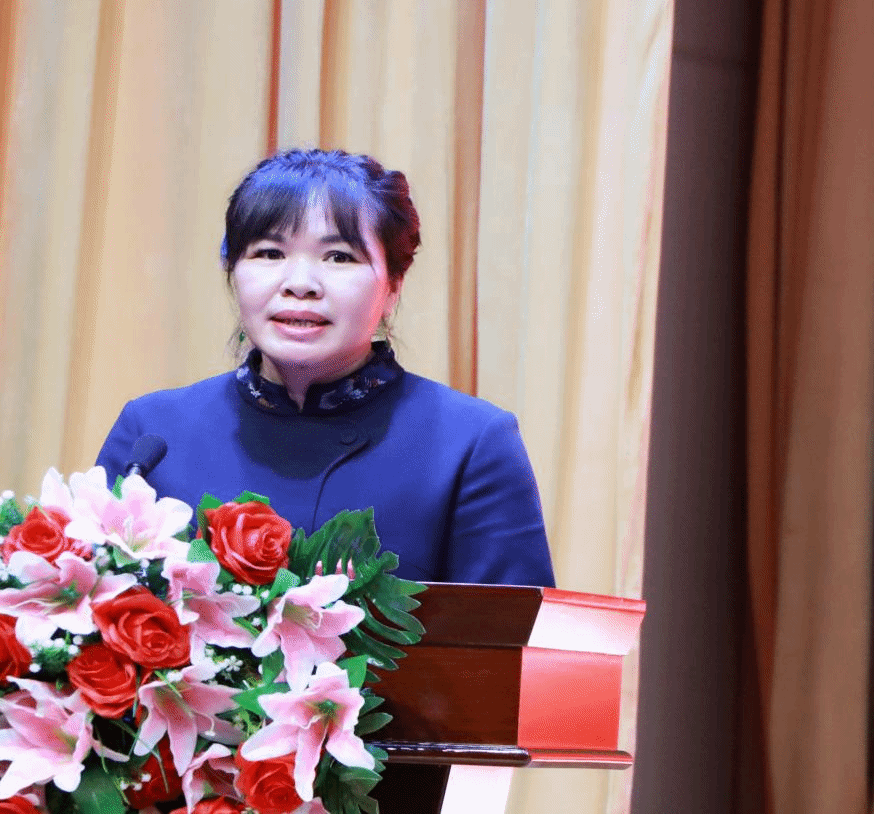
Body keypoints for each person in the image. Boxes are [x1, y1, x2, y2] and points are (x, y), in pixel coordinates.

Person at [96, 149, 554, 586]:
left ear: (394, 284)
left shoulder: (470, 444)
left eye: (339, 257)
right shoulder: (153, 434)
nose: (300, 284)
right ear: (232, 271)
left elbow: (514, 637)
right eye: (269, 253)